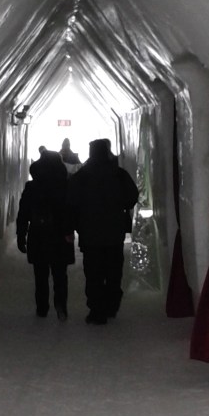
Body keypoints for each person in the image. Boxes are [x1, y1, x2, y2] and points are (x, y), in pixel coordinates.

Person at [66, 137, 138, 324]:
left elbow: (71, 202)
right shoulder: (119, 174)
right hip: (114, 232)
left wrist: (73, 225)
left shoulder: (82, 176)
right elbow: (132, 197)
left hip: (90, 233)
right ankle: (111, 304)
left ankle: (97, 310)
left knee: (94, 272)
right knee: (113, 270)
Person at [15, 150, 74, 319]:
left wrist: (21, 235)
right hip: (60, 235)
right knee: (60, 274)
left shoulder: (32, 187)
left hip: (38, 234)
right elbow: (71, 211)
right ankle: (61, 305)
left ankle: (42, 308)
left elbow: (23, 213)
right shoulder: (65, 185)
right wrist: (72, 230)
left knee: (40, 274)